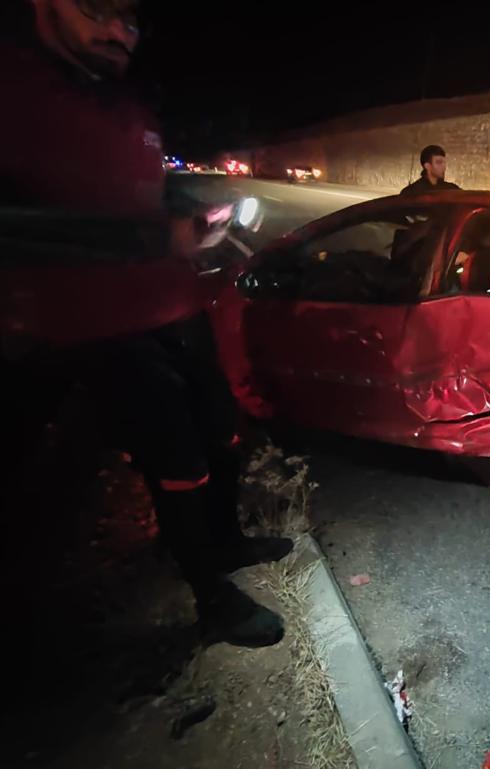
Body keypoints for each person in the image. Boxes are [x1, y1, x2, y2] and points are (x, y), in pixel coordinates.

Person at [0, 0, 292, 647]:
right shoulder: (16, 90)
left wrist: (192, 210)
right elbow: (21, 228)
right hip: (98, 323)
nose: (117, 31)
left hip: (175, 304)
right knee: (177, 460)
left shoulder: (127, 103)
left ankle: (227, 541)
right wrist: (151, 233)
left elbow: (138, 189)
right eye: (97, 9)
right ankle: (211, 599)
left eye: (131, 20)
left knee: (223, 431)